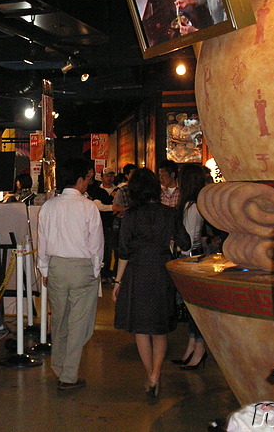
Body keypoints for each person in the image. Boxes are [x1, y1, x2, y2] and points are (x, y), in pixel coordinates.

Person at [113, 168, 190, 398]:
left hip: (137, 272)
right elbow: (185, 243)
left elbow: (124, 250)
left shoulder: (131, 215)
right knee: (160, 328)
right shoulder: (170, 213)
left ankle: (151, 375)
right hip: (162, 271)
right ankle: (157, 372)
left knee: (141, 329)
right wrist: (172, 243)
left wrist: (118, 282)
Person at [37, 158, 104, 390]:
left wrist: (44, 269)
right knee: (79, 323)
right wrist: (96, 271)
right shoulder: (88, 207)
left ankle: (59, 365)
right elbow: (96, 244)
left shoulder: (48, 207)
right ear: (79, 179)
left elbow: (42, 242)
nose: (89, 182)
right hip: (82, 267)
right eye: (88, 178)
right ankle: (68, 375)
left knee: (59, 319)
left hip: (56, 267)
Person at [173, 163, 209, 370]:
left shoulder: (191, 205)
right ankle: (193, 346)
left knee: (193, 307)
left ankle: (198, 348)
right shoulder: (196, 204)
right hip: (195, 256)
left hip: (190, 258)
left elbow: (188, 239)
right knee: (191, 307)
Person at [86, 167, 118, 282]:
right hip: (101, 224)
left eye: (111, 176)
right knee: (102, 248)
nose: (109, 178)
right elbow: (98, 206)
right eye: (107, 176)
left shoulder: (119, 190)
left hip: (114, 223)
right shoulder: (96, 190)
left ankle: (112, 273)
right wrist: (114, 208)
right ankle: (102, 273)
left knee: (113, 249)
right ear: (102, 177)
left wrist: (117, 209)